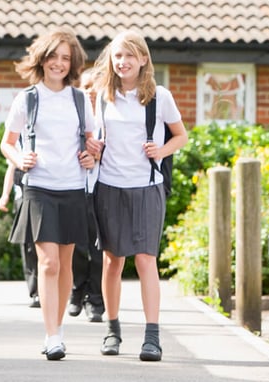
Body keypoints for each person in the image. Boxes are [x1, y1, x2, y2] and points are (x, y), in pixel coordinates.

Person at [88, 30, 188, 362]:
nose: (123, 62)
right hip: (109, 186)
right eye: (117, 56)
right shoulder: (102, 95)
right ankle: (113, 331)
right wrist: (94, 148)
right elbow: (96, 139)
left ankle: (152, 337)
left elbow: (181, 136)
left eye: (130, 55)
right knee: (113, 260)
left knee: (145, 260)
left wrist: (160, 150)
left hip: (147, 187)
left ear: (143, 59)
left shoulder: (160, 96)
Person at [0, 28, 96, 361]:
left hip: (72, 187)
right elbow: (7, 143)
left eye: (65, 58)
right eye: (53, 56)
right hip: (38, 188)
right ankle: (51, 334)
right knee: (49, 261)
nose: (59, 63)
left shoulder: (80, 99)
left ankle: (57, 331)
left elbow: (91, 142)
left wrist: (91, 155)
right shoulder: (27, 98)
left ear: (74, 63)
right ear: (42, 59)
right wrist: (19, 159)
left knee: (66, 263)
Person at [68, 68, 105, 322]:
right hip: (76, 188)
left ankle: (97, 300)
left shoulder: (109, 118)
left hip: (102, 190)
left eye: (96, 85)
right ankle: (77, 290)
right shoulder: (74, 116)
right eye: (86, 85)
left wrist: (99, 156)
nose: (91, 90)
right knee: (77, 247)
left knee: (99, 249)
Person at [0, 152, 40, 308]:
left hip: (47, 193)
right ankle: (36, 292)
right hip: (22, 197)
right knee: (28, 246)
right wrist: (5, 195)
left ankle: (51, 288)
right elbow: (11, 168)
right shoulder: (18, 138)